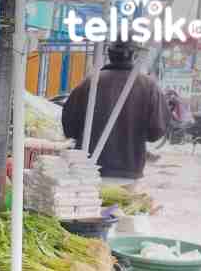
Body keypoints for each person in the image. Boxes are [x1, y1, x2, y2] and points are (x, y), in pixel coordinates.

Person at [62, 41, 168, 179]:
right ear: (134, 56)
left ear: (109, 54)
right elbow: (156, 132)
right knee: (125, 200)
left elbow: (70, 129)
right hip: (128, 169)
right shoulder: (149, 86)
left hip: (87, 169)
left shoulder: (90, 83)